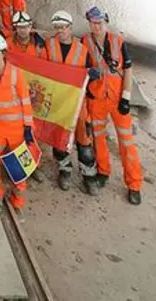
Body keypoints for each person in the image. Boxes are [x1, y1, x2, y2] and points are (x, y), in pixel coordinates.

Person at [82, 7, 143, 204]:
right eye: (92, 23)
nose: (96, 26)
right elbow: (82, 66)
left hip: (117, 100)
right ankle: (103, 172)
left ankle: (134, 184)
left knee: (126, 142)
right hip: (97, 99)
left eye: (99, 23)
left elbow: (128, 70)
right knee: (98, 138)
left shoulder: (118, 42)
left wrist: (126, 98)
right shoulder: (85, 41)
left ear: (105, 23)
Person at [0, 33, 34, 212]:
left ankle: (18, 200)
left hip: (17, 127)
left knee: (20, 167)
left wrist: (28, 127)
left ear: (3, 53)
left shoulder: (16, 74)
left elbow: (26, 101)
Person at [46, 11, 99, 194]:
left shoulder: (82, 50)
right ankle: (64, 170)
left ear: (70, 28)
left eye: (64, 27)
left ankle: (89, 175)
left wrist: (91, 75)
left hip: (78, 103)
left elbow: (89, 72)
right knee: (60, 139)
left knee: (84, 140)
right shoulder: (49, 45)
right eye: (57, 28)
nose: (61, 31)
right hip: (59, 102)